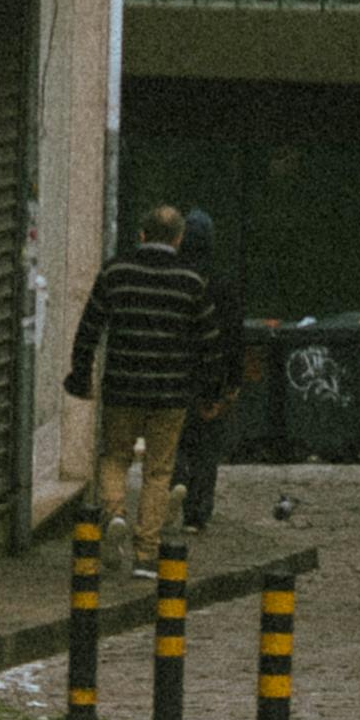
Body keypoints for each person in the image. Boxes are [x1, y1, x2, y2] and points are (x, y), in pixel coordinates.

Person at [63, 198, 226, 552]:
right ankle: (145, 549)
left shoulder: (115, 272)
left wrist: (81, 375)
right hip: (170, 393)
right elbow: (210, 344)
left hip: (122, 386)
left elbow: (89, 328)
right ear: (178, 238)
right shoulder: (191, 281)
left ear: (141, 234)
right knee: (158, 471)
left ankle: (116, 512)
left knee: (115, 457)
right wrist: (211, 393)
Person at [173, 204, 248, 536]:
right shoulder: (222, 284)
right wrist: (232, 382)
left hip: (174, 376)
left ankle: (176, 481)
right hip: (210, 377)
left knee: (173, 439)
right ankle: (197, 514)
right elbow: (234, 336)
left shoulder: (173, 280)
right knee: (206, 446)